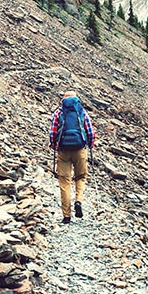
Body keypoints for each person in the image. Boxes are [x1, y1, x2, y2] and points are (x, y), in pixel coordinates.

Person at [49, 91, 95, 224]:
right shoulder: (81, 112)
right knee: (80, 177)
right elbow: (90, 131)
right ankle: (79, 201)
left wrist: (54, 145)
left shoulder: (58, 113)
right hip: (80, 149)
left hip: (63, 150)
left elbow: (53, 132)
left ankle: (66, 216)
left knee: (64, 182)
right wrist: (90, 144)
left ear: (63, 100)